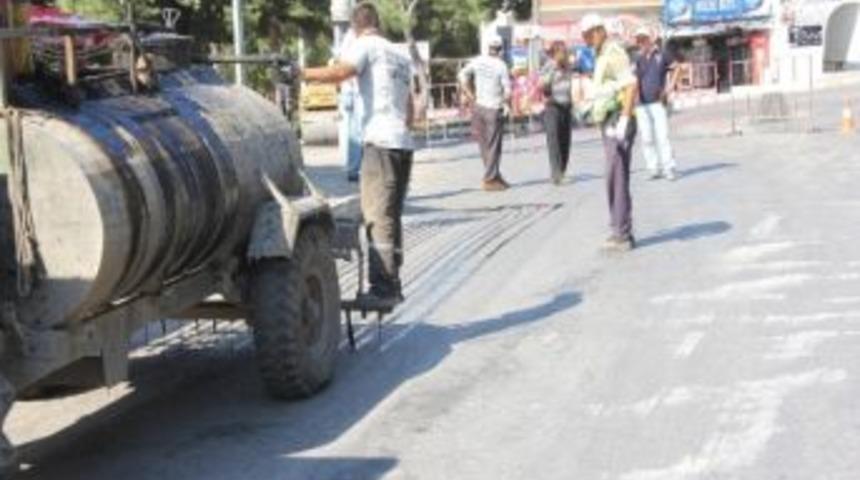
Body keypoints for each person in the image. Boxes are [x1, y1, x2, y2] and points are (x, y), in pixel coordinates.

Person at [303, 2, 415, 305]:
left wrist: (303, 73)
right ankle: (393, 281)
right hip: (403, 143)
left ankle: (383, 288)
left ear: (355, 27)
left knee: (377, 215)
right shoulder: (400, 54)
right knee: (392, 215)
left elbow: (342, 71)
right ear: (378, 23)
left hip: (380, 141)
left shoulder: (366, 45)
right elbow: (410, 110)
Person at [581, 14, 639, 252]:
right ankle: (621, 229)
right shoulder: (601, 54)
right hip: (609, 119)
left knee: (616, 176)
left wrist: (624, 119)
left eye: (588, 36)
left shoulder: (613, 52)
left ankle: (621, 234)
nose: (586, 41)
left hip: (618, 119)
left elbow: (631, 85)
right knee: (615, 176)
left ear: (599, 31)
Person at [458, 35, 512, 192]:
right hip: (493, 108)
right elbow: (507, 90)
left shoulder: (478, 61)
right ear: (500, 49)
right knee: (494, 145)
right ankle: (489, 179)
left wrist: (469, 93)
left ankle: (495, 176)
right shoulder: (501, 65)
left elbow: (461, 75)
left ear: (488, 48)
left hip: (478, 107)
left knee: (484, 144)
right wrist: (507, 104)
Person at [634, 26, 680, 181]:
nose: (640, 43)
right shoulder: (637, 58)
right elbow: (634, 79)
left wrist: (670, 87)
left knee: (662, 137)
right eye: (638, 40)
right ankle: (653, 168)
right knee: (646, 138)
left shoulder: (662, 54)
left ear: (650, 39)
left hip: (658, 102)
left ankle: (669, 168)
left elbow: (677, 67)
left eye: (643, 39)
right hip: (641, 104)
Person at [540, 40, 575, 185]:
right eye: (561, 51)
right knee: (553, 141)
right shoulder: (549, 65)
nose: (564, 54)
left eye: (565, 51)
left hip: (566, 105)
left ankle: (562, 170)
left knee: (565, 141)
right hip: (552, 106)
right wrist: (554, 70)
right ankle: (556, 174)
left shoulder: (568, 66)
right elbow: (543, 84)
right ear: (554, 53)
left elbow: (571, 83)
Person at [337, 28, 364, 182]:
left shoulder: (350, 36)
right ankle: (354, 169)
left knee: (355, 131)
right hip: (354, 90)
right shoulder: (354, 36)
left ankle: (354, 168)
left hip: (351, 89)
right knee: (356, 131)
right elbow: (347, 64)